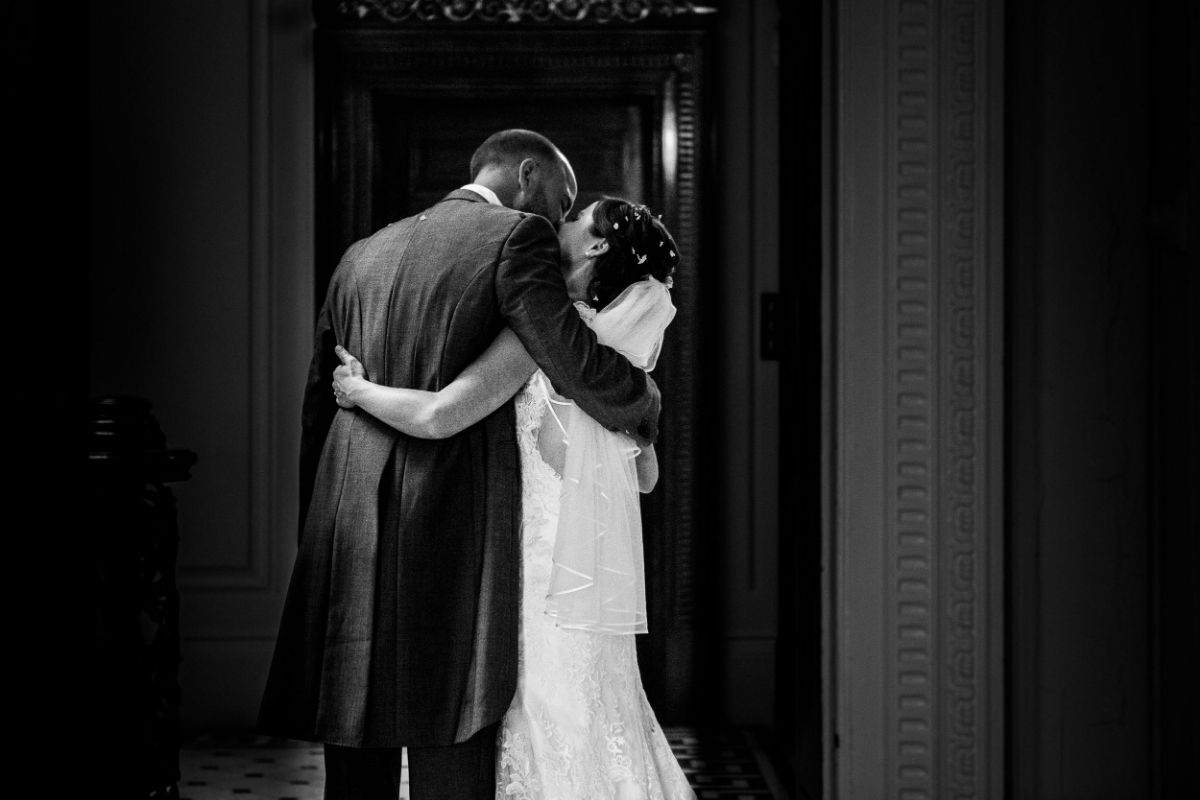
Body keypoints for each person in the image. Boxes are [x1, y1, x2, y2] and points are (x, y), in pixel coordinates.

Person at [257, 130, 662, 800]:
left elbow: (317, 405)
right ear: (527, 174)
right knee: (452, 730)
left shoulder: (362, 253)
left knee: (357, 754)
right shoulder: (516, 237)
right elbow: (571, 356)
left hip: (348, 516)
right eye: (560, 201)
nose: (560, 219)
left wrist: (322, 525)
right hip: (450, 516)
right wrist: (643, 403)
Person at [332, 197, 696, 800]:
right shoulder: (614, 360)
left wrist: (358, 389)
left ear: (598, 245)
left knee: (539, 723)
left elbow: (440, 415)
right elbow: (647, 477)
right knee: (589, 720)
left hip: (528, 580)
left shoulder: (547, 331)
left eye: (579, 216)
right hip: (584, 584)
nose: (564, 219)